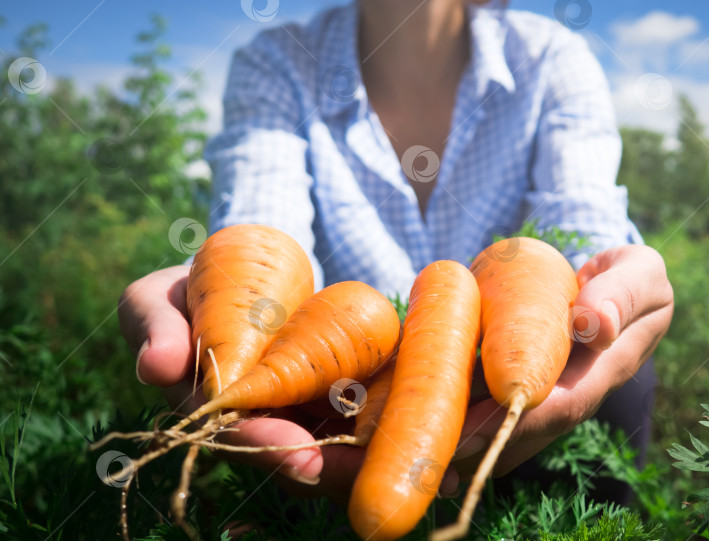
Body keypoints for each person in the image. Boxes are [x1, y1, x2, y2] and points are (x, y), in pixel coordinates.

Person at [118, 0, 673, 502]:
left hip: (506, 393)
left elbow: (582, 233)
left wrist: (605, 286)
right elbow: (264, 238)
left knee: (605, 357)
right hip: (335, 403)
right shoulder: (279, 63)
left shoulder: (550, 59)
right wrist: (223, 301)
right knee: (294, 462)